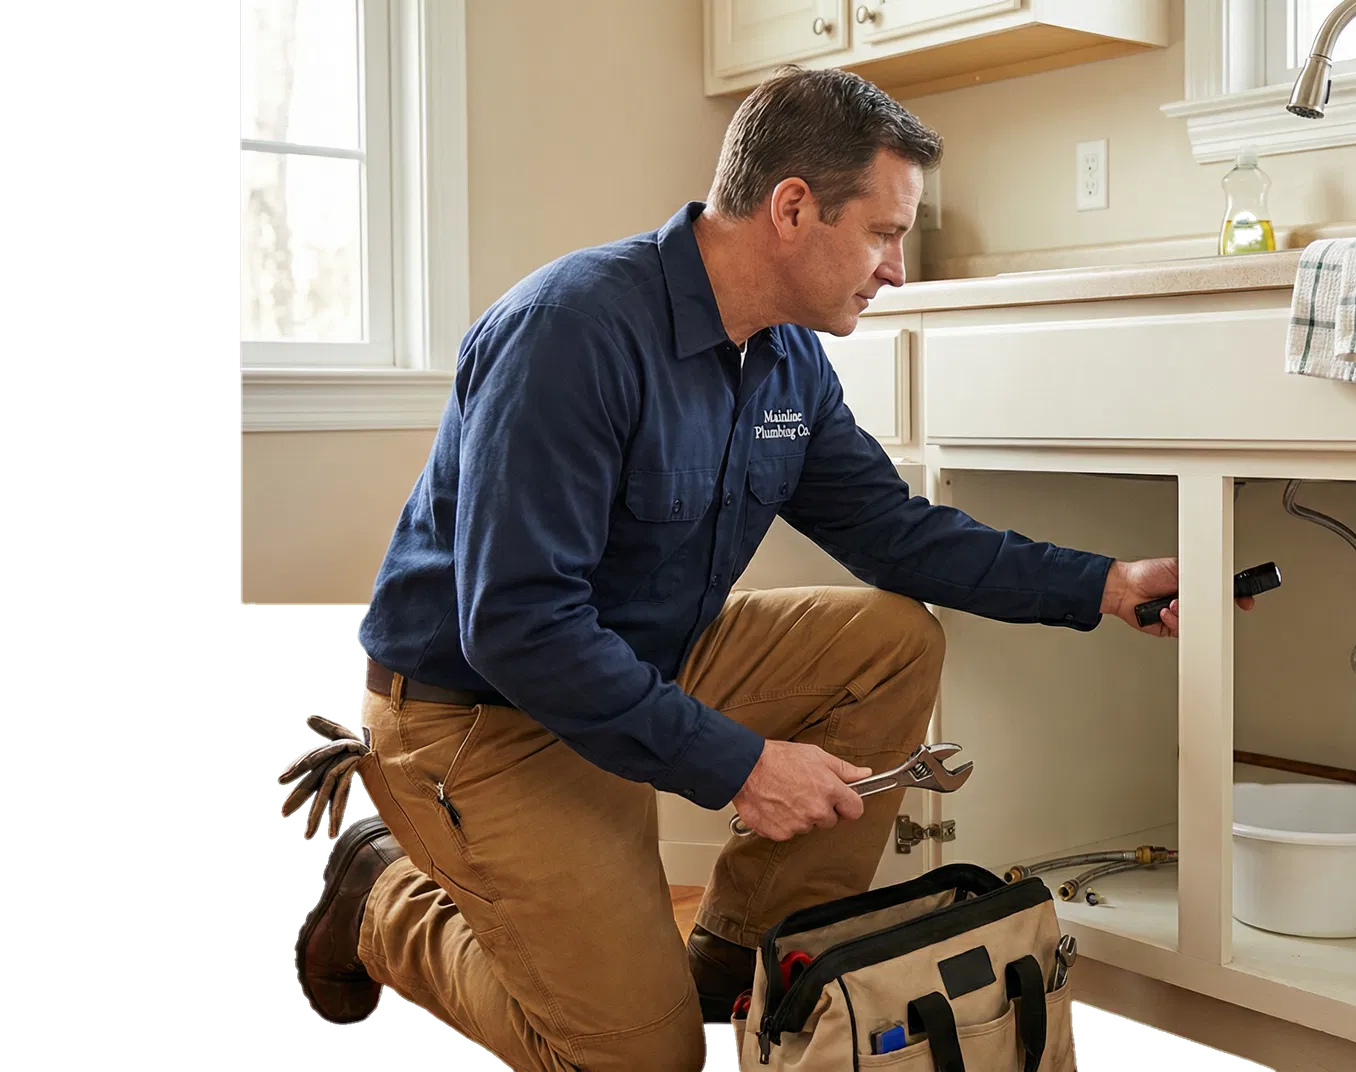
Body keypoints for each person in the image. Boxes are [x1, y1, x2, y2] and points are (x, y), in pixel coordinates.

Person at [291, 65, 1250, 1071]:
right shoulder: (574, 331)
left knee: (887, 639)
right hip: (481, 715)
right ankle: (384, 899)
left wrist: (1102, 584)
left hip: (636, 657)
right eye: (883, 234)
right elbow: (521, 623)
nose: (896, 272)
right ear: (792, 208)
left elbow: (894, 530)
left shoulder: (786, 359)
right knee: (641, 1063)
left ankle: (738, 959)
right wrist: (743, 766)